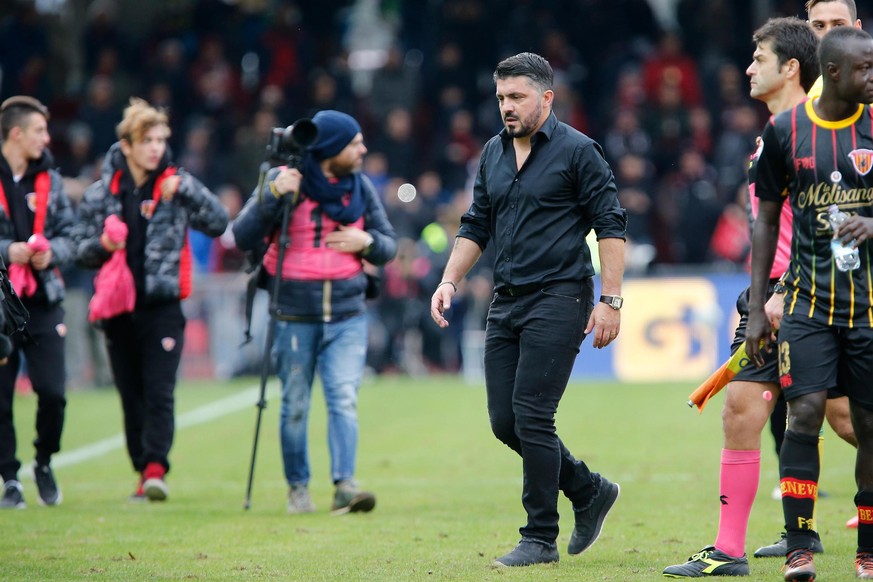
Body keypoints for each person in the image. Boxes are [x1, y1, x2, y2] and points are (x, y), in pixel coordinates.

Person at [663, 14, 862, 577]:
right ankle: (728, 551)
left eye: (759, 59)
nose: (748, 69)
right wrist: (758, 297)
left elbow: (828, 226)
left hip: (814, 296)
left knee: (848, 419)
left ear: (790, 68)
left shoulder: (823, 137)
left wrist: (787, 292)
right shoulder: (770, 138)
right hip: (768, 299)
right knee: (742, 410)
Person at [429, 52, 626, 568]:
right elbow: (476, 224)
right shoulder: (492, 152)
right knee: (504, 422)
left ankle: (539, 538)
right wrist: (450, 280)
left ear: (546, 97)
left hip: (561, 294)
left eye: (516, 97)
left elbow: (611, 224)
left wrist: (610, 300)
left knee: (533, 416)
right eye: (500, 98)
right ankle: (588, 490)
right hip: (507, 298)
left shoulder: (580, 151)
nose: (506, 107)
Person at [746, 26, 873, 581]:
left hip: (869, 308)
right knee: (804, 412)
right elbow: (766, 220)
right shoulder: (784, 132)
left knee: (868, 425)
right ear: (837, 73)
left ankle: (868, 550)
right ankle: (799, 546)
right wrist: (755, 309)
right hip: (807, 305)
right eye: (866, 68)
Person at [233, 110, 397, 515]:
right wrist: (272, 196)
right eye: (353, 143)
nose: (362, 150)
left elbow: (389, 244)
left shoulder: (360, 188)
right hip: (292, 314)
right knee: (295, 404)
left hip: (347, 314)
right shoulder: (284, 182)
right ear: (329, 149)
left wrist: (367, 241)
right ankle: (298, 489)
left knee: (343, 398)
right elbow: (242, 235)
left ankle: (345, 485)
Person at [71, 98, 228, 502]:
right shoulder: (99, 194)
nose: (156, 147)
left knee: (160, 390)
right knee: (131, 395)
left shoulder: (176, 185)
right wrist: (103, 244)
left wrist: (188, 189)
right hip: (118, 308)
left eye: (160, 139)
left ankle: (156, 468)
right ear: (127, 145)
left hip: (163, 307)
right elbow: (77, 250)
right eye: (147, 140)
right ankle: (142, 468)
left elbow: (218, 222)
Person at [0, 96, 75, 509]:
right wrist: (5, 251)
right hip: (0, 305)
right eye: (40, 131)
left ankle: (44, 460)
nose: (47, 139)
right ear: (16, 133)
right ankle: (10, 478)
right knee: (1, 397)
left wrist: (53, 253)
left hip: (43, 301)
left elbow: (70, 234)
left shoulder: (51, 178)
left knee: (53, 393)